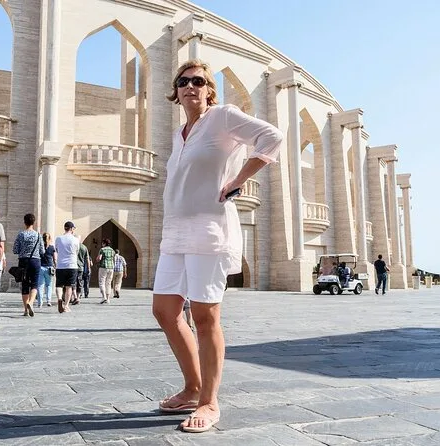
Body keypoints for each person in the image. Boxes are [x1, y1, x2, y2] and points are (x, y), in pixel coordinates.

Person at [153, 59, 282, 433]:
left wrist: (238, 180)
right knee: (164, 311)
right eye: (183, 82)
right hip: (175, 231)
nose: (190, 86)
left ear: (209, 89)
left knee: (205, 316)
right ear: (176, 92)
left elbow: (272, 136)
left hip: (209, 230)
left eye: (198, 81)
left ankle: (209, 402)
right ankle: (192, 388)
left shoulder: (223, 117)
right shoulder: (179, 134)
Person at [12, 213, 44, 317]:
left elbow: (15, 250)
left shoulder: (21, 234)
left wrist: (23, 250)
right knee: (34, 284)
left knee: (25, 284)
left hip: (23, 261)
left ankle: (26, 309)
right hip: (35, 261)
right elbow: (42, 251)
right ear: (34, 222)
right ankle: (31, 302)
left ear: (24, 222)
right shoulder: (38, 235)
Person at [54, 221, 80, 313]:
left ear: (64, 228)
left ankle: (59, 298)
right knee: (69, 286)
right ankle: (66, 306)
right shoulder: (75, 239)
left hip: (60, 265)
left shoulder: (58, 239)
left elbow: (56, 250)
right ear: (72, 229)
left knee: (59, 285)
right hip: (72, 265)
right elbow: (77, 251)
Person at [37, 233, 56, 307]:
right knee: (49, 285)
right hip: (49, 268)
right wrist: (55, 266)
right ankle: (48, 301)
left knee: (40, 285)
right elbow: (55, 259)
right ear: (50, 238)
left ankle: (40, 302)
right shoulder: (52, 247)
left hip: (41, 267)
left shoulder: (39, 247)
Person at [96, 238, 116, 304]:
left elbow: (99, 258)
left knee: (102, 282)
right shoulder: (112, 250)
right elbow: (114, 259)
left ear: (104, 243)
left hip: (103, 267)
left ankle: (104, 297)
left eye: (102, 243)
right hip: (111, 267)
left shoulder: (102, 249)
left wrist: (97, 259)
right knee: (108, 283)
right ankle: (108, 299)